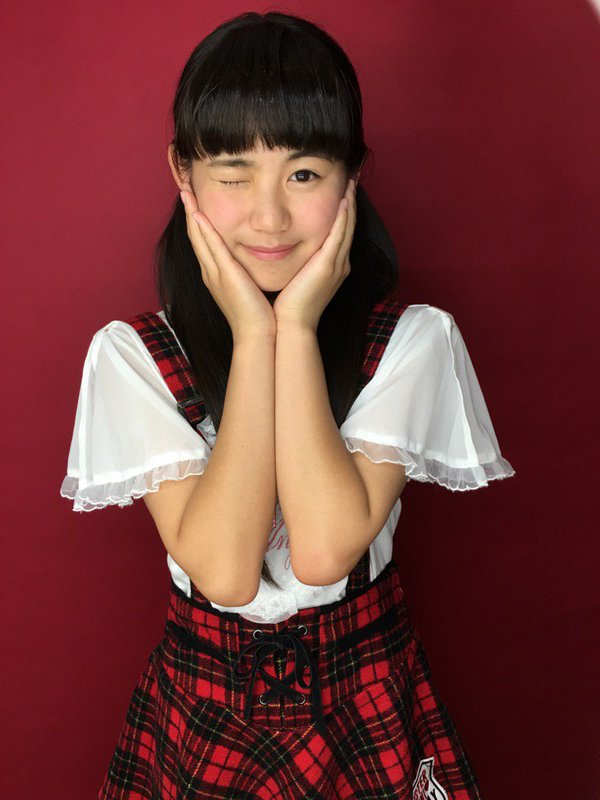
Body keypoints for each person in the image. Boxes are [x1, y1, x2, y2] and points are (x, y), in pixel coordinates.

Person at [60, 11, 516, 799]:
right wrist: (251, 332)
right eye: (233, 174)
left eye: (303, 174)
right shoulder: (134, 356)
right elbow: (226, 574)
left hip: (367, 706)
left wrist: (294, 327)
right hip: (202, 715)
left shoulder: (412, 343)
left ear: (351, 176)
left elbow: (325, 552)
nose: (268, 217)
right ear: (182, 173)